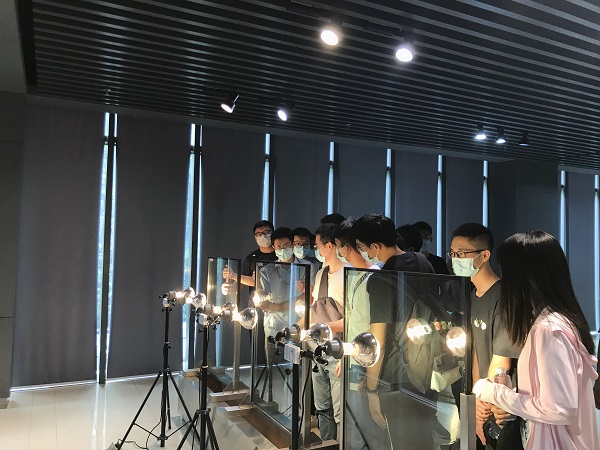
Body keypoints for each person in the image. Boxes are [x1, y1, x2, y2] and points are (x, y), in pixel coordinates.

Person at [473, 231, 599, 450]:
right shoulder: (561, 321)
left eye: (507, 273)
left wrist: (495, 393)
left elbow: (558, 408)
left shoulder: (548, 330)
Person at [351, 214, 437, 450]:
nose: (364, 253)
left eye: (362, 247)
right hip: (428, 368)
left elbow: (377, 340)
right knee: (424, 439)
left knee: (401, 442)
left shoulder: (381, 279)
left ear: (375, 246)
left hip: (396, 377)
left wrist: (372, 388)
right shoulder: (422, 262)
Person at [450, 223, 521, 449]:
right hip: (483, 398)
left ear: (484, 255)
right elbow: (475, 355)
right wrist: (475, 398)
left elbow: (501, 361)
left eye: (462, 253)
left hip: (502, 402)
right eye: (452, 253)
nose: (456, 259)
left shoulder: (504, 296)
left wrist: (484, 400)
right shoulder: (472, 296)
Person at [334, 218, 386, 450]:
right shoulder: (355, 275)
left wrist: (371, 379)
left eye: (339, 246)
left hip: (368, 363)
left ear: (348, 247)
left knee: (367, 428)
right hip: (353, 359)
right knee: (353, 424)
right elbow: (353, 320)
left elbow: (377, 330)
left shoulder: (375, 277)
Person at [310, 223, 351, 441]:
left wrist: (325, 327)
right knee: (322, 406)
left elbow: (354, 320)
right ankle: (327, 443)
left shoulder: (348, 273)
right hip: (319, 348)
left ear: (329, 246)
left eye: (317, 245)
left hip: (339, 349)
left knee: (340, 410)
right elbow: (314, 308)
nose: (316, 249)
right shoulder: (321, 274)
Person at [230, 220, 278, 307]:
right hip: (256, 307)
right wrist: (231, 287)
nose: (263, 236)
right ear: (255, 238)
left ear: (273, 234)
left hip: (278, 305)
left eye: (266, 232)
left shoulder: (281, 255)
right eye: (259, 234)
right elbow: (240, 283)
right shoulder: (251, 258)